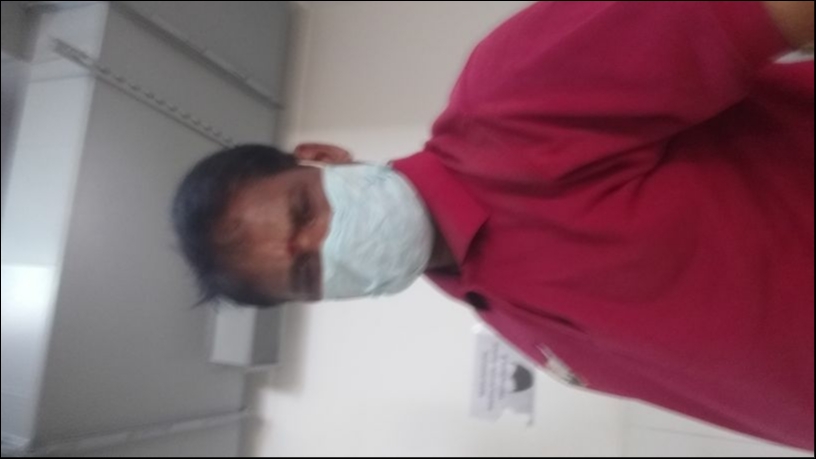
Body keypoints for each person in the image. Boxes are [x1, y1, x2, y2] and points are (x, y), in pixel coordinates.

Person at [172, 2, 814, 450]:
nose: (330, 244)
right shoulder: (503, 315)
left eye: (304, 212)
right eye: (307, 271)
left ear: (323, 157)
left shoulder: (511, 101)